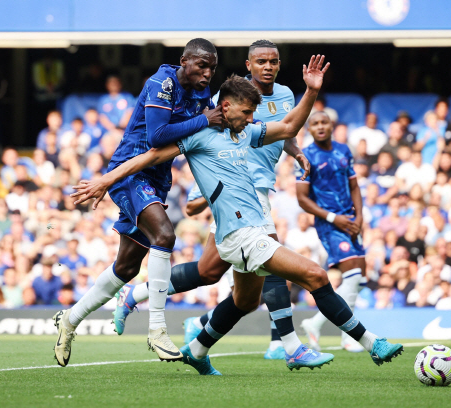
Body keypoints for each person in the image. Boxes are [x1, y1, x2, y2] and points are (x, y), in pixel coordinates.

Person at [73, 60, 403, 376]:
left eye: (252, 114)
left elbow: (288, 127)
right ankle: (370, 343)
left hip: (253, 227)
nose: (249, 119)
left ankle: (197, 350)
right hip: (239, 235)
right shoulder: (197, 136)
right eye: (245, 113)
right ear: (226, 106)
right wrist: (105, 180)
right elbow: (149, 157)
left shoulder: (245, 132)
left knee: (245, 301)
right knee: (315, 275)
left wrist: (311, 92)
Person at [110, 40, 327, 364]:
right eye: (261, 61)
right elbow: (202, 144)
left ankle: (154, 304)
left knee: (210, 272)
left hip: (259, 187)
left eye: (274, 61)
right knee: (270, 256)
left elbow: (283, 130)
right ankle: (288, 344)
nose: (268, 66)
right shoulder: (224, 99)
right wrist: (201, 194)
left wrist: (294, 151)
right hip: (234, 192)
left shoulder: (284, 95)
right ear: (248, 64)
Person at [51, 38, 225, 366]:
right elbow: (158, 136)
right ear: (184, 61)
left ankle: (70, 320)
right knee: (165, 236)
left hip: (157, 178)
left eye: (212, 68)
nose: (207, 74)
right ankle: (157, 329)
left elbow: (198, 136)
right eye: (201, 65)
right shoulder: (162, 83)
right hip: (130, 171)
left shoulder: (202, 92)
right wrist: (207, 120)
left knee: (127, 267)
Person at [296, 110, 366, 353]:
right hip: (329, 223)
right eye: (314, 123)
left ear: (332, 125)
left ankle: (314, 324)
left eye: (324, 122)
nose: (320, 126)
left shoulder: (344, 150)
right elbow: (302, 199)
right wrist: (334, 218)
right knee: (353, 274)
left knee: (356, 280)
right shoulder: (306, 155)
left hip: (350, 220)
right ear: (310, 129)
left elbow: (354, 186)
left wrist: (359, 217)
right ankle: (348, 336)